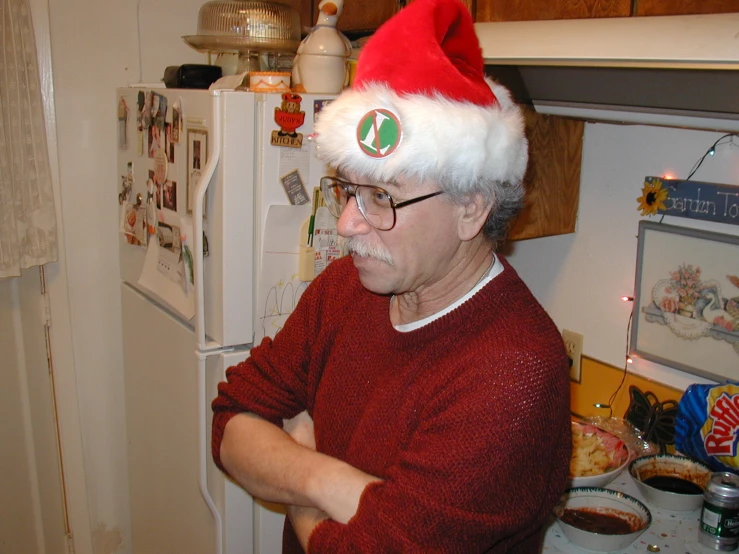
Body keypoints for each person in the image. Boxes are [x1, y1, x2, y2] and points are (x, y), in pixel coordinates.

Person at [212, 0, 572, 552]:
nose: (350, 223)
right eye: (348, 190)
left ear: (471, 209)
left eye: (382, 197)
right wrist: (323, 478)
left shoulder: (512, 371)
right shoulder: (345, 287)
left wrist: (293, 462)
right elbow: (232, 418)